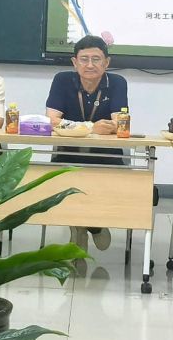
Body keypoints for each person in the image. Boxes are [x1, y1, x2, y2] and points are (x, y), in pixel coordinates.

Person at [45, 34, 130, 256]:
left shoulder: (117, 83)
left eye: (96, 59)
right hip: (68, 154)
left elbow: (119, 122)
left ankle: (93, 226)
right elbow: (51, 120)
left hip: (106, 156)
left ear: (106, 63)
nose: (90, 65)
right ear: (74, 62)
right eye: (84, 59)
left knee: (101, 186)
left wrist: (74, 126)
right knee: (67, 182)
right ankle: (78, 227)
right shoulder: (62, 80)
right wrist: (91, 127)